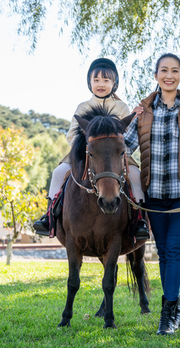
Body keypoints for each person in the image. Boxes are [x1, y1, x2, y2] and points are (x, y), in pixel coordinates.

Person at [125, 53, 180, 335]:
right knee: (162, 252)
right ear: (156, 75)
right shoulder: (144, 111)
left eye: (174, 70)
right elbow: (124, 147)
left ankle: (168, 314)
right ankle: (176, 308)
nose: (169, 75)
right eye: (164, 70)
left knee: (173, 249)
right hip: (154, 194)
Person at [33, 58, 149, 240]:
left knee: (135, 175)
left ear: (114, 82)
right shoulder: (83, 107)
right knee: (58, 172)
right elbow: (71, 134)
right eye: (96, 80)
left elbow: (127, 135)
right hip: (84, 155)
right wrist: (85, 151)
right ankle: (49, 215)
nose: (100, 84)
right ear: (89, 83)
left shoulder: (121, 107)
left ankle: (140, 218)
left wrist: (135, 117)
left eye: (106, 80)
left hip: (115, 156)